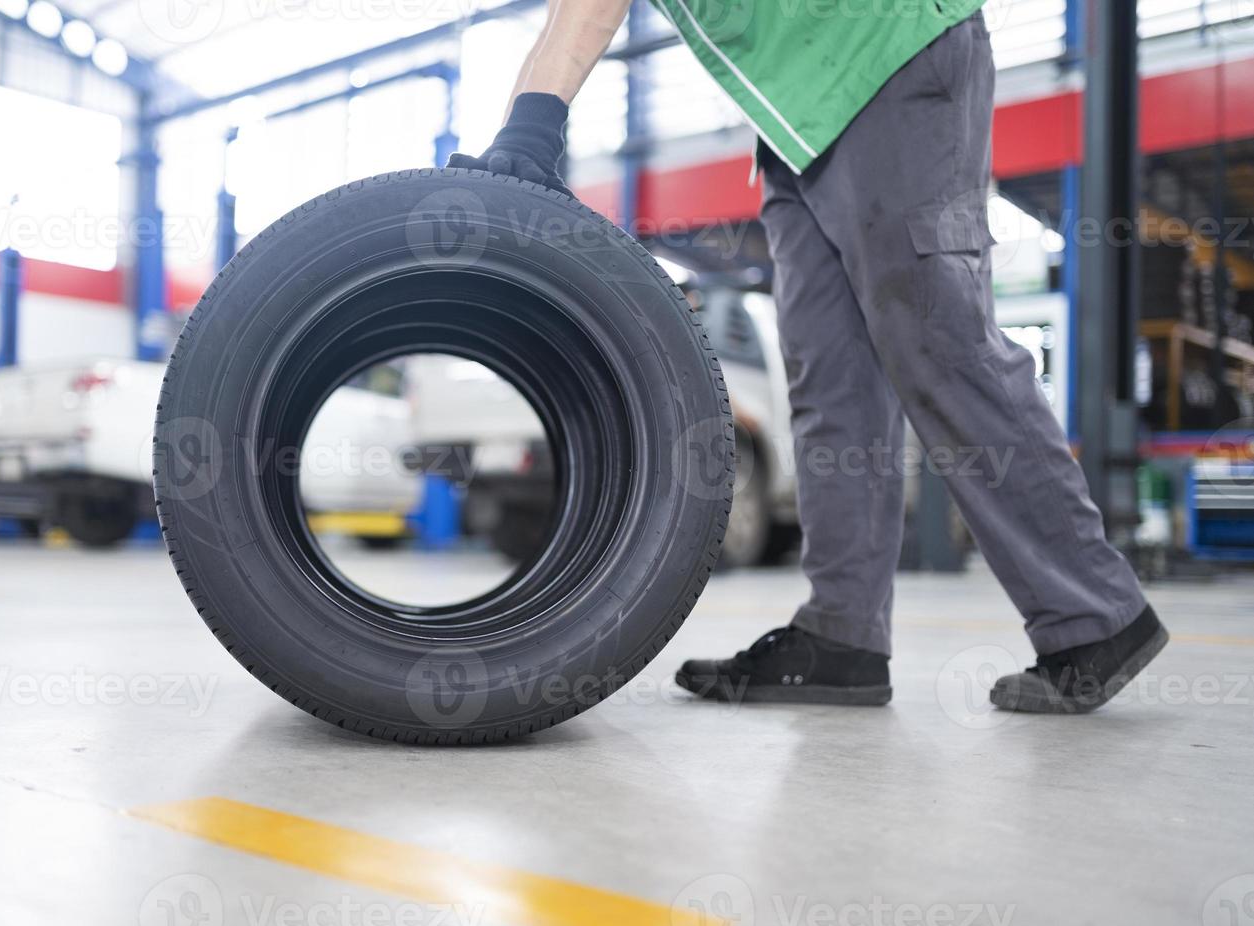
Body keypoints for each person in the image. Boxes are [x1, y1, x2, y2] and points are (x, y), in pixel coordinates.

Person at [449, 0, 1168, 714]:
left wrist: (533, 125)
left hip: (882, 51)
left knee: (937, 339)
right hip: (792, 121)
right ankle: (842, 634)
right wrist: (523, 130)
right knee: (831, 382)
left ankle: (1093, 614)